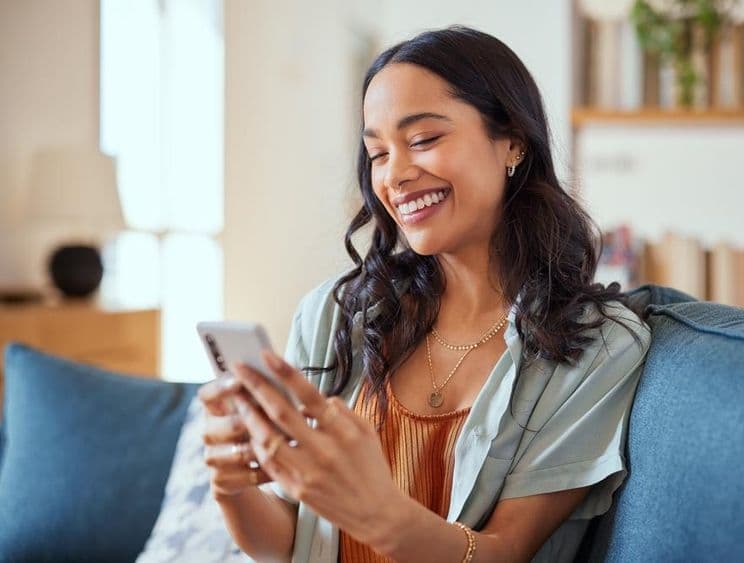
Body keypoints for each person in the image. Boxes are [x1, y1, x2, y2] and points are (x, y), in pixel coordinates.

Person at [198, 25, 652, 563]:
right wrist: (232, 487)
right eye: (377, 153)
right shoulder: (335, 314)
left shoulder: (595, 346)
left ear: (512, 141)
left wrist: (376, 513)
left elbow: (505, 553)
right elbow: (292, 543)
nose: (396, 175)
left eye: (423, 140)